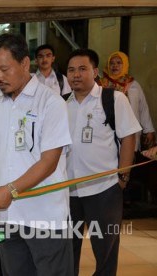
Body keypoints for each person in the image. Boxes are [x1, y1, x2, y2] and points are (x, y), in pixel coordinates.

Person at [0, 33, 73, 275]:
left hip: (45, 216)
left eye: (4, 70)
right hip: (8, 216)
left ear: (25, 63)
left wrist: (10, 190)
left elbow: (49, 162)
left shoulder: (50, 103)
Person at [65, 48, 141, 275]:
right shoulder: (61, 103)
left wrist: (123, 177)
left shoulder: (113, 98)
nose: (76, 75)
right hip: (68, 189)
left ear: (95, 71)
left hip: (104, 188)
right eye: (71, 70)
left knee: (105, 249)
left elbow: (128, 137)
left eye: (82, 69)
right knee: (68, 248)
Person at [100, 51, 155, 151]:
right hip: (106, 130)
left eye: (119, 63)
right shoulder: (101, 85)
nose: (115, 66)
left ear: (125, 65)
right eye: (112, 63)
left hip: (129, 129)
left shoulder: (133, 84)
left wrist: (149, 130)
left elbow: (143, 108)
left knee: (129, 157)